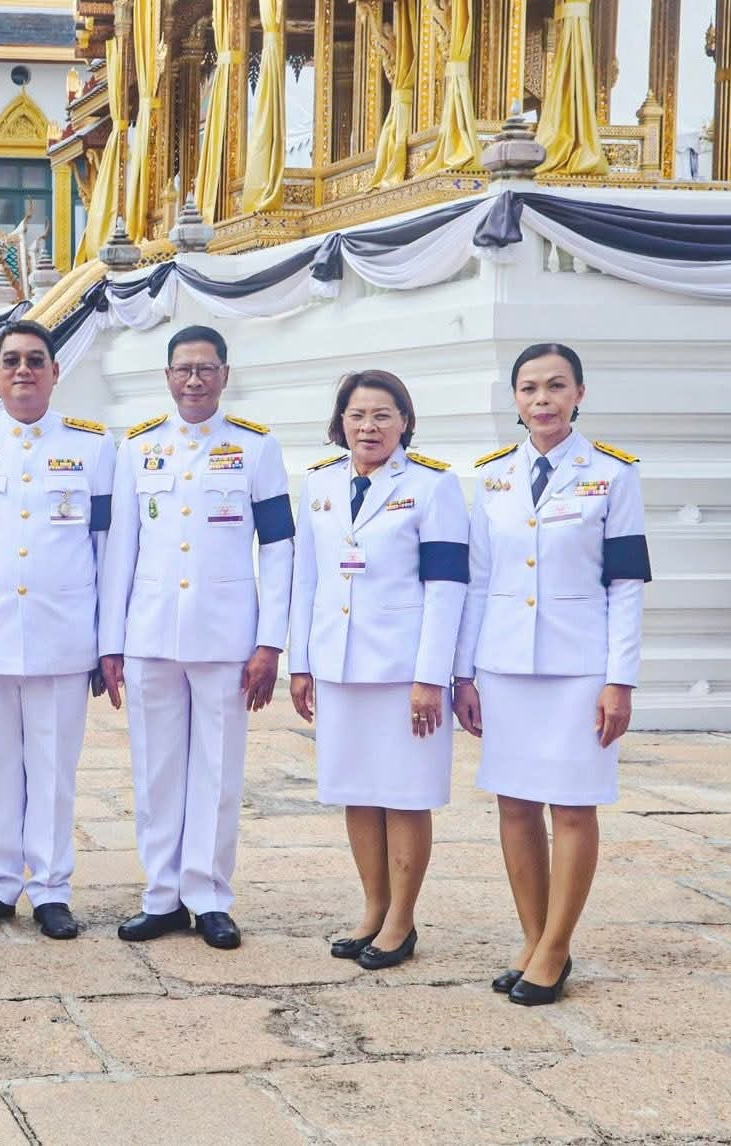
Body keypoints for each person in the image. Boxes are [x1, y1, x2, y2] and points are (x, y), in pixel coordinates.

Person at [453, 343, 650, 1006]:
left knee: (571, 806)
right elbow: (478, 583)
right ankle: (533, 940)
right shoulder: (494, 478)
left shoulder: (614, 476)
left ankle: (557, 946)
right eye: (530, 388)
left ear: (579, 394)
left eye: (555, 387)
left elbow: (626, 585)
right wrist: (464, 674)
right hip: (504, 664)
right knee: (514, 804)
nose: (542, 400)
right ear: (515, 400)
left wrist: (619, 679)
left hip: (577, 669)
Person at [98, 325, 294, 950]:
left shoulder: (257, 448)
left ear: (225, 376)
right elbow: (119, 551)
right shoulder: (137, 449)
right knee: (156, 768)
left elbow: (281, 549)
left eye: (206, 369)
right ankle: (161, 895)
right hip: (151, 633)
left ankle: (207, 895)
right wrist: (111, 641)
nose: (194, 380)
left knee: (217, 769)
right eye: (183, 369)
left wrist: (270, 641)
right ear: (167, 377)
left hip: (225, 635)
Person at [0, 319, 115, 940]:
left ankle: (51, 888)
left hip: (64, 634)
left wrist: (106, 638)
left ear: (55, 372)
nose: (22, 371)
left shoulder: (93, 445)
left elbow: (107, 549)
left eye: (35, 360)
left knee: (53, 768)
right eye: (10, 360)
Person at [289, 370, 469, 971]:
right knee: (356, 793)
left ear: (406, 422)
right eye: (357, 415)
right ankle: (372, 907)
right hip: (338, 664)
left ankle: (401, 921)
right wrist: (303, 663)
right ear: (340, 421)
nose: (368, 427)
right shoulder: (317, 485)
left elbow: (446, 588)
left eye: (382, 415)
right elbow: (306, 581)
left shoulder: (434, 487)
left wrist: (430, 676)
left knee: (404, 795)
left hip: (401, 672)